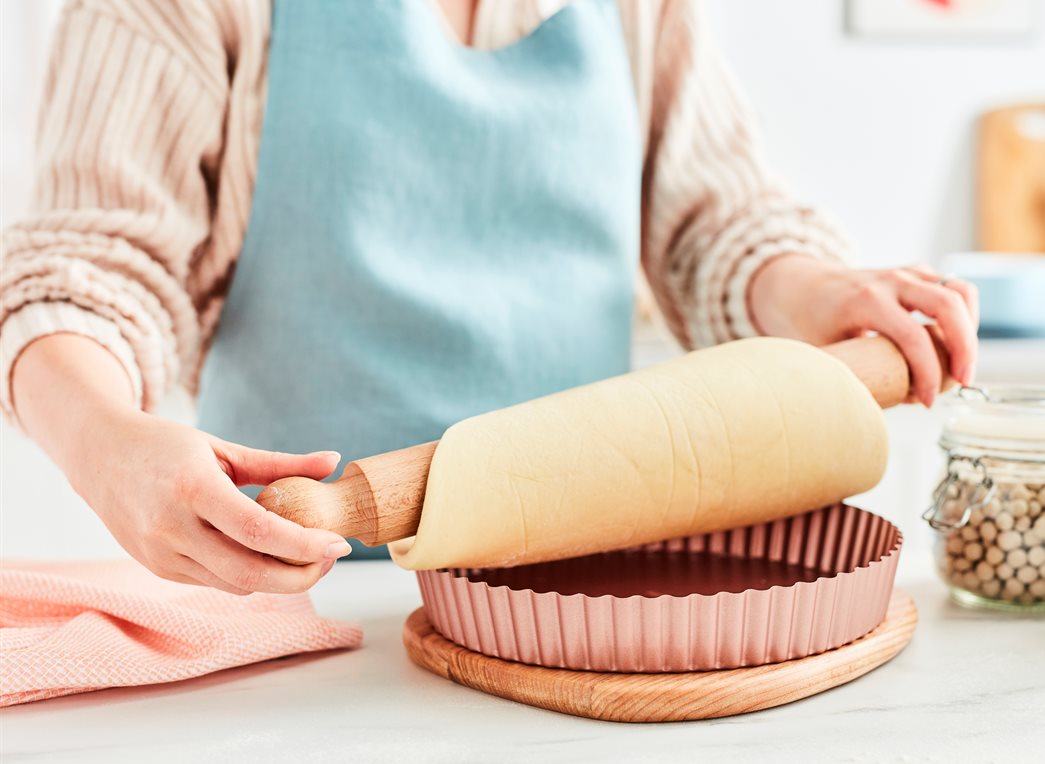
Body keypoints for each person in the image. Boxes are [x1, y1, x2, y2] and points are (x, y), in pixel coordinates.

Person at [0, 0, 978, 596]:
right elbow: (90, 268)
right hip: (307, 599)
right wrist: (102, 443)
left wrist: (816, 293)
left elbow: (710, 222)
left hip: (590, 588)